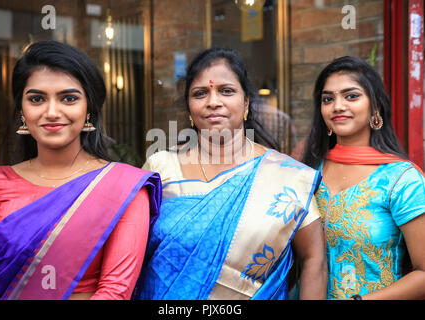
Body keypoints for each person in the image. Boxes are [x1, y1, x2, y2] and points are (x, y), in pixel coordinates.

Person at [134, 48, 327, 300]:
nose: (213, 101)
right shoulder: (160, 167)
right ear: (190, 109)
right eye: (200, 93)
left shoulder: (287, 175)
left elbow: (314, 258)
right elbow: (131, 253)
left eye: (226, 91)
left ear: (246, 103)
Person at [0, 40, 161, 300]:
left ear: (88, 111)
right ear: (22, 111)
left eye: (69, 98)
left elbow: (115, 292)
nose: (52, 112)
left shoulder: (123, 187)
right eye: (37, 99)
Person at [302, 56, 425, 300]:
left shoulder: (400, 179)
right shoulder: (308, 172)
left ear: (375, 106)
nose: (337, 106)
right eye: (328, 99)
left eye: (351, 96)